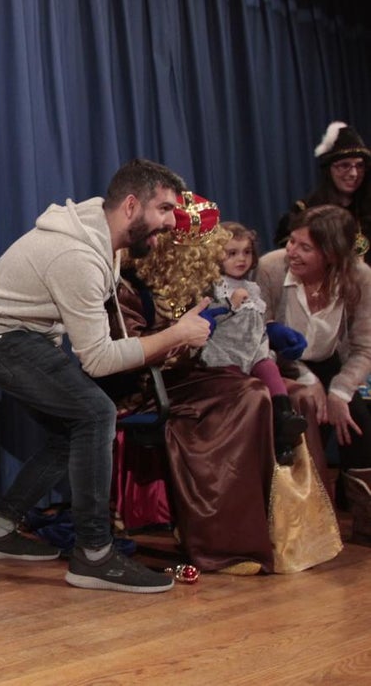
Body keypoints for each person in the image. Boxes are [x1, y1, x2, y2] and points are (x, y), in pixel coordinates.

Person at [0, 159, 209, 593]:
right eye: (165, 209)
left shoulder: (102, 236)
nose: (173, 221)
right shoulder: (79, 256)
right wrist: (176, 335)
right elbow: (96, 360)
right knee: (95, 415)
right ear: (131, 205)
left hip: (19, 337)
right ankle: (94, 555)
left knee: (71, 431)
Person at [115, 192, 338, 574]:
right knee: (251, 396)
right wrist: (180, 338)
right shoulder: (131, 286)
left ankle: (292, 533)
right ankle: (226, 542)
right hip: (154, 385)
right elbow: (127, 353)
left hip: (202, 372)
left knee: (288, 395)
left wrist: (267, 331)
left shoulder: (199, 283)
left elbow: (232, 324)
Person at [258, 205, 371, 543]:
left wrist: (339, 393)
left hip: (333, 364)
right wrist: (306, 378)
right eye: (292, 242)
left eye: (304, 247)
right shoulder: (271, 269)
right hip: (279, 365)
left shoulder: (360, 278)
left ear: (331, 254)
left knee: (356, 421)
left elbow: (364, 347)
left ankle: (364, 520)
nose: (292, 252)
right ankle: (305, 526)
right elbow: (258, 338)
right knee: (306, 413)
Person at [202, 220, 308, 465]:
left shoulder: (253, 287)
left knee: (270, 369)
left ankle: (284, 421)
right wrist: (230, 304)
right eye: (232, 253)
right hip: (225, 355)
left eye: (247, 252)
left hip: (254, 351)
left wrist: (275, 332)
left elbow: (259, 320)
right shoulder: (214, 287)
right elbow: (207, 319)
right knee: (247, 390)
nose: (241, 259)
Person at [274, 121, 371, 258]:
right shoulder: (304, 212)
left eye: (360, 166)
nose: (354, 174)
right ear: (328, 170)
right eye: (344, 166)